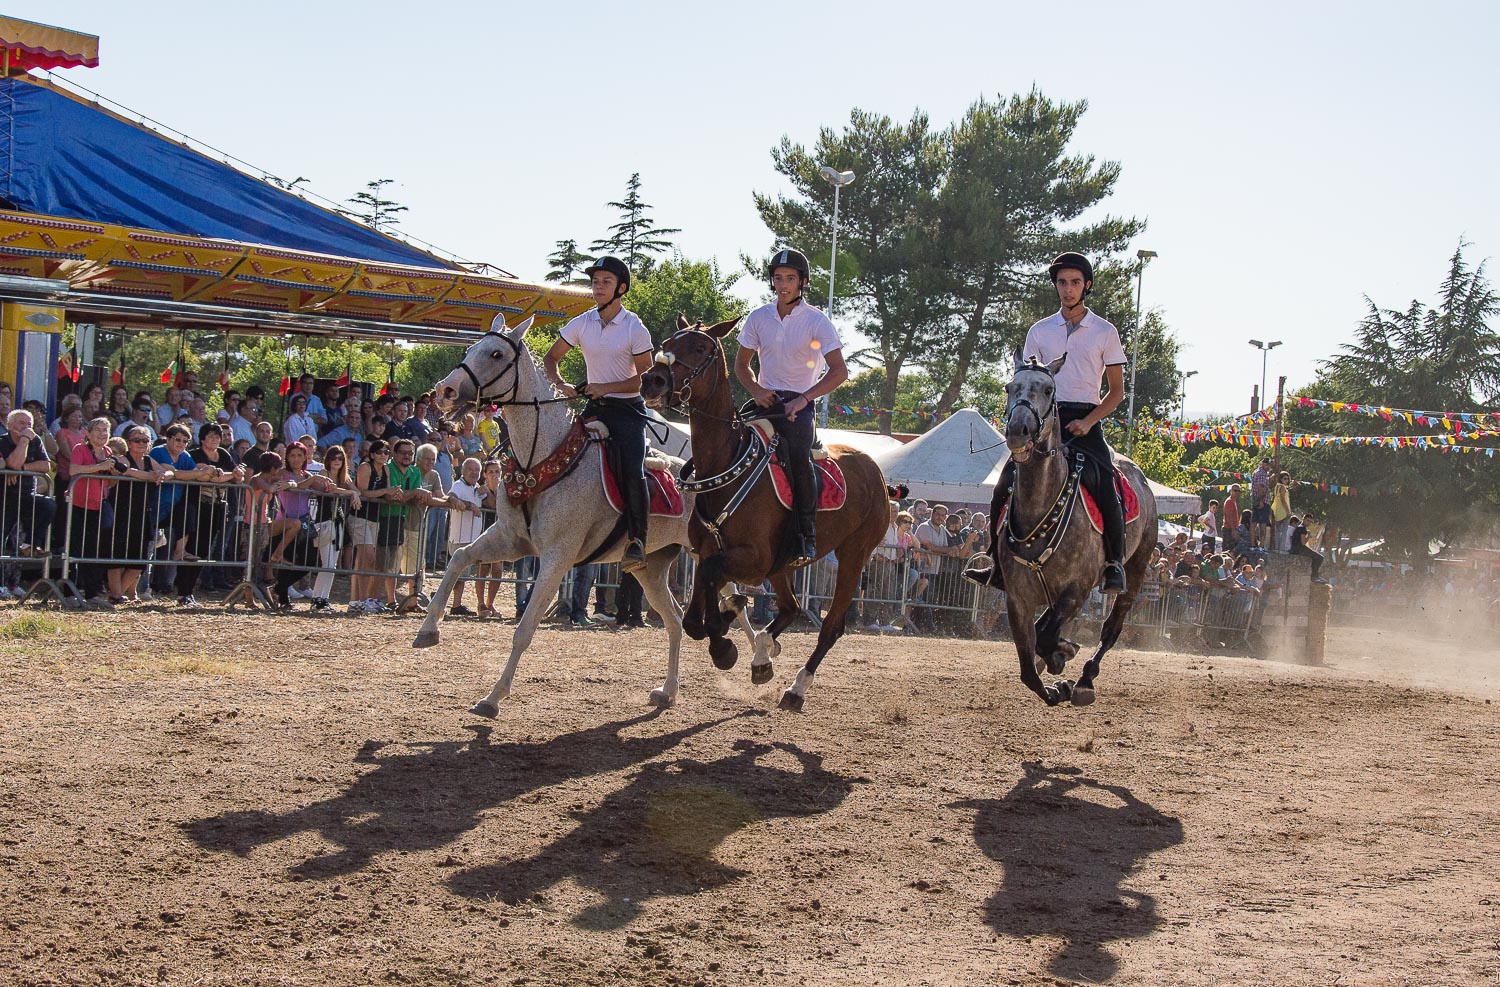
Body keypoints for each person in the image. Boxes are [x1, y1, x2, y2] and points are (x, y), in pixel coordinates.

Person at [967, 251, 1129, 592]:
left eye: (1074, 282)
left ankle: (1114, 563)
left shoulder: (1105, 331)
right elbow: (1027, 380)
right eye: (1062, 282)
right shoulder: (1039, 331)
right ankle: (996, 564)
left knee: (1106, 486)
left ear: (1086, 286)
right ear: (1056, 286)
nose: (1068, 289)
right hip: (1042, 419)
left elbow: (1116, 393)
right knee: (1003, 485)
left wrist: (1089, 421)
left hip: (1084, 420)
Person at [734, 247, 848, 566]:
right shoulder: (758, 317)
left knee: (799, 459)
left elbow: (839, 371)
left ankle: (805, 535)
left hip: (799, 404)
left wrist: (804, 398)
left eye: (790, 278)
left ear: (803, 282)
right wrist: (756, 390)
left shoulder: (817, 321)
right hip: (764, 401)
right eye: (778, 278)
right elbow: (741, 365)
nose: (783, 284)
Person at [544, 255, 655, 573]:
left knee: (633, 470)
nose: (598, 287)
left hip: (628, 411)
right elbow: (551, 359)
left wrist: (605, 387)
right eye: (595, 282)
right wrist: (560, 384)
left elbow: (647, 379)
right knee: (558, 454)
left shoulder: (635, 327)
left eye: (606, 282)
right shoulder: (582, 322)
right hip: (594, 407)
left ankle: (637, 540)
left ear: (621, 288)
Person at [175, 422, 242, 607]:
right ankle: (183, 591)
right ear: (202, 438)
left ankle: (189, 592)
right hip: (196, 505)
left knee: (204, 551)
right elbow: (211, 477)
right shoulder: (194, 454)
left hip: (217, 506)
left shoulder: (224, 454)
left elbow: (237, 477)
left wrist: (231, 475)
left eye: (217, 436)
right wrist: (228, 475)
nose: (215, 439)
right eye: (211, 436)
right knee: (192, 550)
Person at [105, 426, 170, 604]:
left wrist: (162, 474)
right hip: (120, 512)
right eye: (136, 440)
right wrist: (149, 476)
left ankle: (118, 594)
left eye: (145, 440)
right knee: (116, 556)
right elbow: (124, 470)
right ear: (129, 442)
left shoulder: (149, 460)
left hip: (142, 513)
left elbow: (169, 471)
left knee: (139, 560)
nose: (141, 443)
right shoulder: (122, 459)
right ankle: (116, 594)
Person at [65, 417, 117, 602]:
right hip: (78, 504)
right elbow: (73, 470)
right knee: (75, 547)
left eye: (105, 430)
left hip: (98, 504)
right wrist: (99, 466)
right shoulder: (80, 448)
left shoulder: (108, 452)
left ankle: (93, 592)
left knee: (95, 548)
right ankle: (69, 592)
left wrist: (114, 473)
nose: (102, 434)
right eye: (98, 430)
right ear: (88, 432)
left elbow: (109, 482)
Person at [0, 409, 57, 557]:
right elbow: (13, 463)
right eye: (21, 423)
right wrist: (24, 440)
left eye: (29, 424)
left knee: (47, 505)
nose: (26, 427)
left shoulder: (35, 440)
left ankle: (29, 545)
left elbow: (46, 465)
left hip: (26, 494)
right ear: (10, 425)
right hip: (5, 496)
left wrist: (22, 469)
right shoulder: (2, 441)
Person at [434, 456, 486, 615]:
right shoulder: (459, 485)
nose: (474, 472)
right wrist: (469, 505)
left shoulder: (477, 488)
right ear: (463, 471)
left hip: (471, 538)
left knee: (461, 574)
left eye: (477, 470)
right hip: (460, 538)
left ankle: (454, 603)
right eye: (470, 469)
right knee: (458, 574)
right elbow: (451, 497)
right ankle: (446, 600)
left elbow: (489, 501)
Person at [349, 439, 396, 613]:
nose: (383, 455)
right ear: (372, 454)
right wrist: (385, 492)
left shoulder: (386, 469)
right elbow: (363, 492)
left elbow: (387, 493)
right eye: (379, 452)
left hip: (374, 517)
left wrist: (395, 493)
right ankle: (361, 600)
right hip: (360, 515)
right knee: (367, 558)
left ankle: (358, 601)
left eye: (386, 452)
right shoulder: (365, 467)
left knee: (363, 561)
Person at [1288, 514, 1325, 581]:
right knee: (1319, 558)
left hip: (1295, 549)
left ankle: (1315, 575)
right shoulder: (1302, 529)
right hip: (1299, 549)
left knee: (1315, 556)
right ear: (1303, 519)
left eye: (1310, 521)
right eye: (1308, 520)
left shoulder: (1299, 527)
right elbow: (1303, 543)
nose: (1309, 523)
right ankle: (1314, 576)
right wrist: (1308, 536)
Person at [1250, 458, 1272, 549]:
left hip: (1255, 500)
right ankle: (1261, 546)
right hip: (1262, 501)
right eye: (1267, 464)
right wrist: (1261, 502)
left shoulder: (1257, 472)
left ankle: (1252, 544)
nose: (1269, 467)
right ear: (1263, 464)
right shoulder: (1262, 473)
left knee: (1253, 523)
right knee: (1262, 524)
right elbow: (1260, 488)